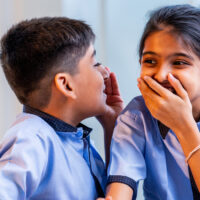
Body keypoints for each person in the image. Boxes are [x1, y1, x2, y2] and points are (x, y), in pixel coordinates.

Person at [0, 17, 123, 200]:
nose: (105, 72)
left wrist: (113, 125)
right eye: (95, 64)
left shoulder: (76, 140)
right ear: (66, 85)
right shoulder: (30, 139)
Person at [105, 4, 200, 200]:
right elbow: (121, 184)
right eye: (150, 61)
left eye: (179, 62)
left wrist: (183, 126)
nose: (161, 75)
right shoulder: (136, 116)